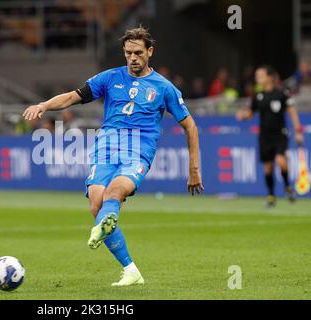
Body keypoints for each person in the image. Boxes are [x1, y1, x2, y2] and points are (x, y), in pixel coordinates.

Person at [23, 26, 204, 286]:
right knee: (97, 204)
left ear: (149, 52)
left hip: (138, 150)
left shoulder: (164, 88)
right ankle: (131, 270)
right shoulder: (110, 78)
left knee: (114, 193)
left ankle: (109, 227)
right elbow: (73, 97)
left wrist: (194, 169)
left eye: (138, 52)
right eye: (129, 52)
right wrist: (43, 105)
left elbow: (190, 126)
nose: (133, 58)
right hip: (106, 147)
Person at [236, 65, 303, 207]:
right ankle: (271, 195)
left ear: (270, 77)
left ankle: (287, 187)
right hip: (264, 136)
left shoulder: (282, 93)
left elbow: (292, 112)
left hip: (280, 134)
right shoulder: (258, 96)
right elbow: (250, 113)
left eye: (260, 75)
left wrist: (298, 131)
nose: (257, 78)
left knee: (281, 161)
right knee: (268, 167)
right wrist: (243, 116)